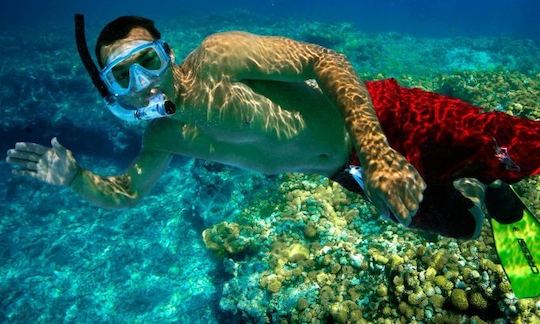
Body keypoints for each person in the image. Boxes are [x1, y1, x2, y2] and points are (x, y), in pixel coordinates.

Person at [6, 16, 539, 240]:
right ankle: (479, 188)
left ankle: (490, 170)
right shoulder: (162, 137)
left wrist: (377, 149)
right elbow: (126, 192)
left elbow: (324, 61)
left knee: (529, 147)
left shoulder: (218, 57)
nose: (143, 82)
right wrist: (77, 179)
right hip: (348, 171)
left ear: (167, 54)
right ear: (113, 91)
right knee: (464, 228)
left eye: (146, 60)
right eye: (122, 76)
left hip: (385, 117)